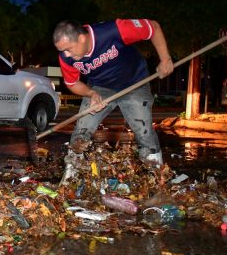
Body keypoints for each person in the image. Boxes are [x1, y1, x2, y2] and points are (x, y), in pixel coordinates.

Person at [53, 19, 174, 174]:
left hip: (134, 82)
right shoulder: (66, 57)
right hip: (101, 87)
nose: (66, 54)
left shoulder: (114, 30)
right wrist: (91, 93)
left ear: (82, 38)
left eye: (68, 49)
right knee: (82, 129)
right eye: (62, 51)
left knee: (143, 131)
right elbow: (72, 83)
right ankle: (72, 174)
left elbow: (154, 27)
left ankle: (157, 174)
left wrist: (165, 59)